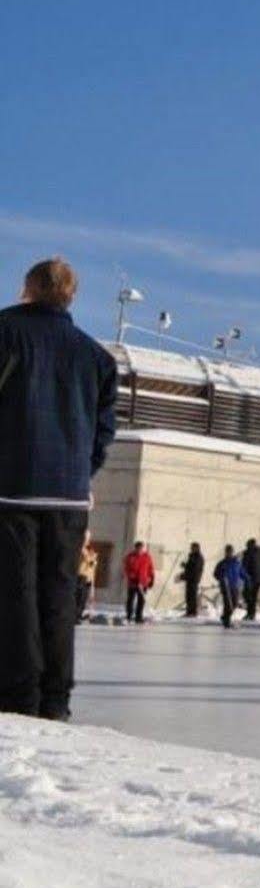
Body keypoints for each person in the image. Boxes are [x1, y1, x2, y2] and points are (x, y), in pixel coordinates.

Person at [0, 258, 118, 721]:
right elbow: (104, 428)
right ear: (71, 295)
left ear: (28, 288)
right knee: (58, 595)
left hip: (11, 489)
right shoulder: (95, 357)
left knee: (15, 592)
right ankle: (56, 697)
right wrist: (81, 469)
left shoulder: (5, 333)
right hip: (68, 493)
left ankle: (18, 694)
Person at [214, 545, 246, 629]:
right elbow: (215, 574)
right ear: (225, 552)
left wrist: (248, 579)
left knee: (234, 604)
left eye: (230, 551)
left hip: (235, 586)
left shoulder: (236, 563)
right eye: (227, 551)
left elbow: (242, 573)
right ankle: (227, 622)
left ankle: (225, 617)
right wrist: (221, 577)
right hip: (225, 586)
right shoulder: (222, 563)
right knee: (228, 604)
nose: (229, 553)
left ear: (232, 552)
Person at [123, 540, 155, 624]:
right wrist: (132, 577)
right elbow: (127, 569)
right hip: (133, 583)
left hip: (143, 582)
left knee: (141, 600)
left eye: (141, 548)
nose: (140, 550)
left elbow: (150, 568)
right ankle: (129, 616)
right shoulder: (130, 556)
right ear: (135, 548)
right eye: (138, 548)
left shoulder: (147, 557)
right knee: (131, 599)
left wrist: (152, 578)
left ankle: (138, 616)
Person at [74, 541, 98, 621]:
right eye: (91, 550)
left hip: (88, 579)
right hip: (82, 576)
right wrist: (93, 558)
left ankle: (79, 614)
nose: (92, 552)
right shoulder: (83, 551)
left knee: (83, 598)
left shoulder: (91, 556)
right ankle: (76, 615)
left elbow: (92, 567)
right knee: (80, 597)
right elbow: (89, 562)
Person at [180, 542, 205, 618]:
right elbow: (189, 567)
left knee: (192, 596)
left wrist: (186, 566)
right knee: (188, 596)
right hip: (189, 578)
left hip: (194, 579)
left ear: (196, 548)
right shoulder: (192, 556)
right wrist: (184, 571)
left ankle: (193, 612)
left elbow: (195, 568)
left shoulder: (198, 557)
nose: (191, 549)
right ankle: (189, 611)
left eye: (192, 548)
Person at [240, 538, 260, 622]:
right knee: (253, 597)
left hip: (250, 578)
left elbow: (244, 565)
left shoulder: (248, 553)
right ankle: (252, 613)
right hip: (258, 579)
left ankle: (250, 613)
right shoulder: (259, 553)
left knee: (248, 595)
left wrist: (243, 576)